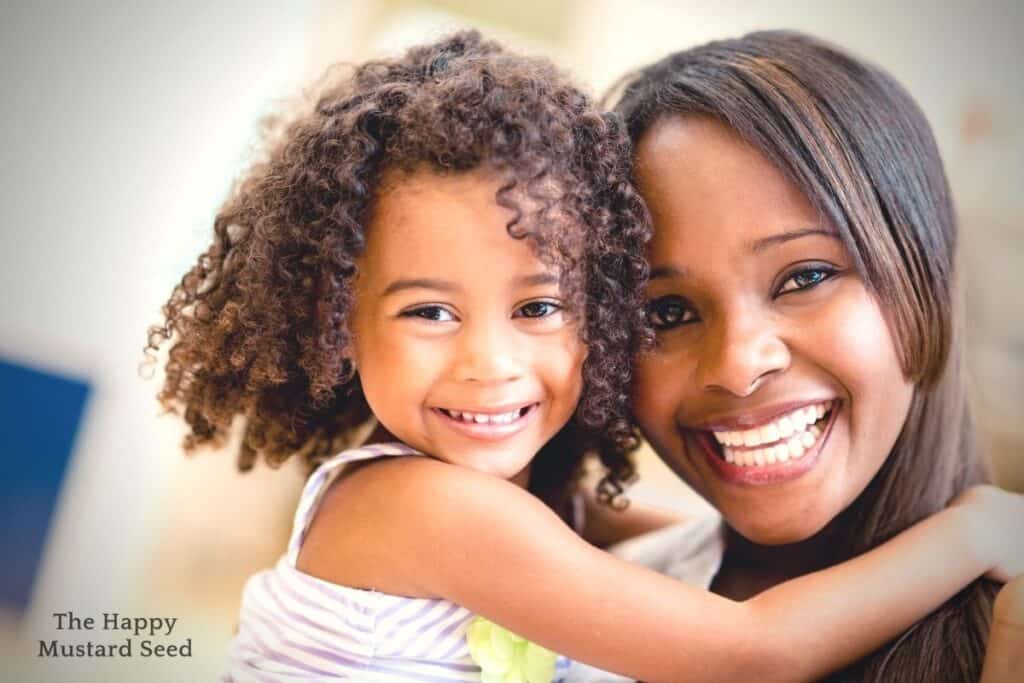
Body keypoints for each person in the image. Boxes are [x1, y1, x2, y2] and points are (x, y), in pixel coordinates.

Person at [146, 31, 1024, 682]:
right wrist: (977, 530)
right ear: (333, 319)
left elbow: (621, 539)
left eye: (538, 305)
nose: (490, 361)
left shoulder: (517, 513)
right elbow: (759, 648)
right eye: (428, 310)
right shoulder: (422, 506)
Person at [607, 29, 1024, 682]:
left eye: (804, 276)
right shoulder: (584, 623)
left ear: (927, 274)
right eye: (667, 312)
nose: (738, 364)